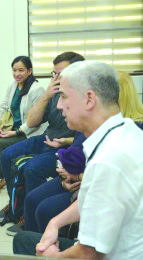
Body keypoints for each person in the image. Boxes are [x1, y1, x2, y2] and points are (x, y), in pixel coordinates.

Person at [14, 60, 143, 259]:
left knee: (28, 245)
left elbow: (88, 254)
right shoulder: (124, 131)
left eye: (64, 96)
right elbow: (90, 199)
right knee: (23, 239)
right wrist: (55, 222)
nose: (58, 105)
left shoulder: (108, 160)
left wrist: (50, 256)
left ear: (89, 99)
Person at [0, 52, 84, 226]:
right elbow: (32, 121)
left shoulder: (82, 95)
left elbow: (84, 136)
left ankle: (29, 216)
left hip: (64, 146)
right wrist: (47, 95)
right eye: (54, 74)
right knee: (6, 155)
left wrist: (64, 142)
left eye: (61, 73)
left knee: (32, 168)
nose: (57, 78)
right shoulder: (54, 92)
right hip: (47, 137)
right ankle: (16, 206)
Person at [0, 56, 47, 195]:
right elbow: (3, 106)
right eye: (14, 70)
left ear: (29, 71)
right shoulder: (13, 86)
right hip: (13, 128)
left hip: (29, 132)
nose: (17, 74)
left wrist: (17, 132)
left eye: (21, 70)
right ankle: (1, 177)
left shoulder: (37, 90)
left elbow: (38, 120)